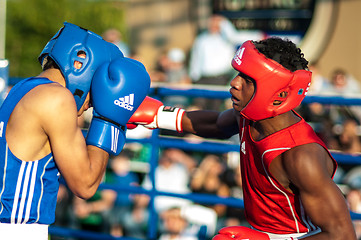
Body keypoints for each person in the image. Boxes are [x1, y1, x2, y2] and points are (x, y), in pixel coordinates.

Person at [128, 37, 357, 239]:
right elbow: (216, 124)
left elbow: (341, 235)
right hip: (261, 232)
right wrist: (157, 116)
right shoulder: (248, 117)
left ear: (276, 94)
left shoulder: (300, 155)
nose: (234, 83)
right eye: (239, 74)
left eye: (248, 79)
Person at [0, 22, 150, 239]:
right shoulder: (56, 98)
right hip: (17, 228)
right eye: (98, 87)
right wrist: (108, 119)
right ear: (81, 64)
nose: (93, 101)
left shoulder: (22, 89)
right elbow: (85, 185)